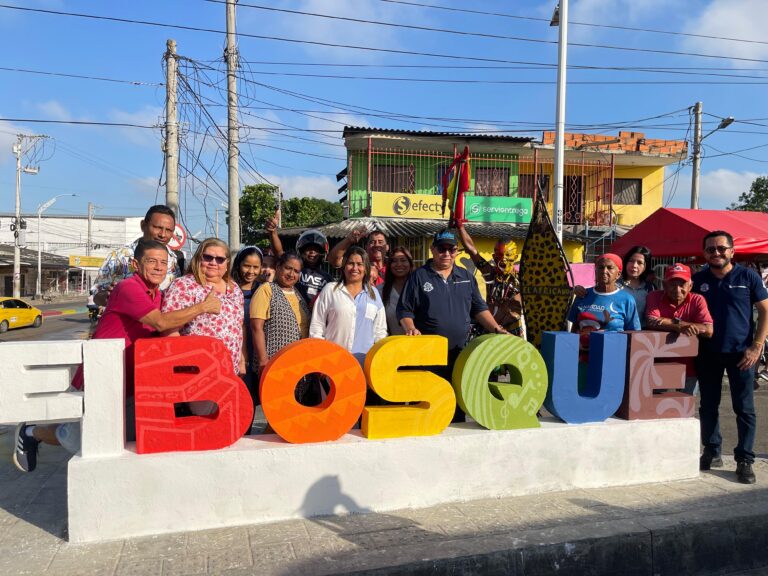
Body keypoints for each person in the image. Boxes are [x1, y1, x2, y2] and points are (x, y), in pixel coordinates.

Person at [12, 240, 221, 473]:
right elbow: (161, 322)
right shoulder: (129, 288)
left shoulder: (159, 295)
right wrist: (203, 307)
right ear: (135, 264)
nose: (158, 267)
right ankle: (31, 431)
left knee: (120, 439)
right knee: (74, 439)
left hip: (132, 383)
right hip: (101, 377)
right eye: (151, 261)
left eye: (163, 263)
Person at [397, 229, 509, 421]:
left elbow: (479, 309)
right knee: (428, 408)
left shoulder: (466, 276)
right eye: (442, 249)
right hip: (429, 357)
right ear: (433, 249)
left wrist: (497, 329)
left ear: (457, 252)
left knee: (456, 407)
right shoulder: (419, 277)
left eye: (451, 249)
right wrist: (410, 328)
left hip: (460, 354)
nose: (446, 254)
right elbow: (404, 310)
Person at [693, 231, 768, 484]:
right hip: (708, 352)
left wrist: (756, 346)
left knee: (744, 408)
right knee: (708, 406)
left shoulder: (748, 276)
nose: (716, 253)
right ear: (705, 253)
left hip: (742, 354)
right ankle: (712, 451)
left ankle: (745, 459)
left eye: (721, 248)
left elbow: (765, 311)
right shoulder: (697, 279)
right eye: (711, 249)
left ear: (732, 251)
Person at [162, 238, 245, 376]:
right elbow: (169, 329)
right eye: (207, 257)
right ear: (198, 259)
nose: (213, 262)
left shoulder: (234, 288)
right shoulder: (184, 285)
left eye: (220, 259)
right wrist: (183, 364)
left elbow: (239, 326)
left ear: (227, 263)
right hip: (196, 371)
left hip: (230, 369)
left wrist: (241, 358)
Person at [310, 246, 387, 367]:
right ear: (344, 266)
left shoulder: (374, 294)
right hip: (333, 363)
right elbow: (317, 327)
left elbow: (380, 331)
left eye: (360, 264)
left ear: (366, 268)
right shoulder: (330, 290)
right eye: (351, 263)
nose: (355, 268)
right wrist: (320, 358)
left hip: (365, 365)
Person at [646, 263, 713, 394]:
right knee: (654, 409)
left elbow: (709, 330)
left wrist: (669, 323)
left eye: (682, 284)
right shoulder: (654, 296)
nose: (677, 289)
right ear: (664, 285)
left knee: (685, 410)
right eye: (672, 284)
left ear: (690, 285)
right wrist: (681, 326)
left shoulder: (697, 300)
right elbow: (651, 321)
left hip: (690, 368)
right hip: (658, 366)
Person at [94, 205, 183, 304]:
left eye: (168, 230)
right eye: (157, 227)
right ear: (143, 226)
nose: (162, 234)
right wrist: (109, 295)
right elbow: (95, 294)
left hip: (161, 318)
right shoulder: (119, 257)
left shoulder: (175, 260)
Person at [456, 226, 525, 337]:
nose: (502, 260)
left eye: (507, 255)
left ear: (515, 257)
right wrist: (460, 227)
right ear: (493, 256)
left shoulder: (522, 281)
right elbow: (471, 250)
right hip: (490, 329)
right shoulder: (491, 275)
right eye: (498, 256)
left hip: (512, 332)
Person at [264, 212, 332, 308]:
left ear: (323, 253)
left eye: (316, 250)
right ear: (300, 250)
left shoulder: (327, 278)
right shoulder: (294, 269)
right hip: (289, 314)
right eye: (308, 249)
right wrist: (273, 232)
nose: (312, 252)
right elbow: (279, 253)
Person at [568, 253, 641, 338]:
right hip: (582, 349)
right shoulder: (583, 294)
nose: (604, 271)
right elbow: (574, 329)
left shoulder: (627, 299)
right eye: (601, 267)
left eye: (610, 268)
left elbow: (634, 332)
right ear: (595, 271)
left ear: (618, 274)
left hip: (614, 349)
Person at [231, 246, 264, 404]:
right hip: (236, 353)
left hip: (256, 353)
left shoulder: (263, 291)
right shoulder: (228, 289)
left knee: (252, 401)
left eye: (255, 267)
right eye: (247, 265)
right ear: (238, 265)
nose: (251, 271)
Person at [378, 247, 414, 335]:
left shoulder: (419, 288)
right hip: (393, 345)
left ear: (410, 263)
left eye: (403, 260)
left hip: (421, 344)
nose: (399, 264)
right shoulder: (380, 290)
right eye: (394, 261)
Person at [619, 246, 656, 326]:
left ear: (645, 266)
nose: (634, 265)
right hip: (618, 333)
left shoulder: (650, 288)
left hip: (641, 334)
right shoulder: (615, 285)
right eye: (631, 261)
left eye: (639, 263)